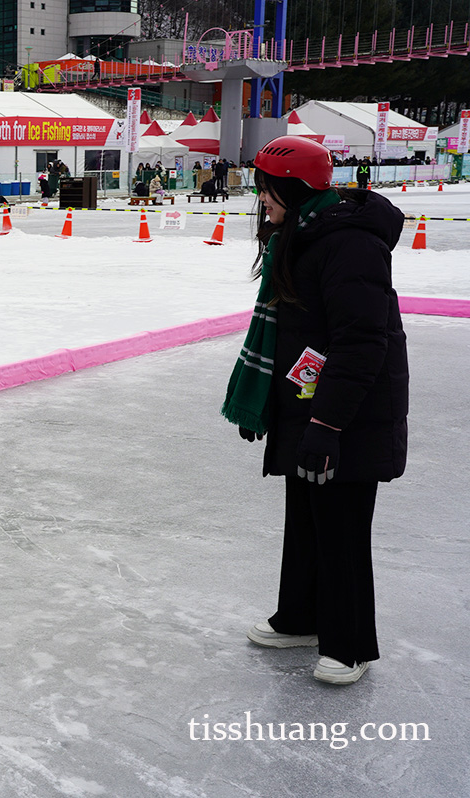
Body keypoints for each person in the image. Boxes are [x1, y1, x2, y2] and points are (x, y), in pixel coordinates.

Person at [221, 135, 408, 686]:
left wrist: (327, 426)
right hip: (307, 403)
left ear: (297, 190)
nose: (263, 201)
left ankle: (349, 646)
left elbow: (362, 342)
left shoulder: (347, 244)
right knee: (304, 518)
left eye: (270, 191)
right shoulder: (301, 233)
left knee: (342, 527)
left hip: (349, 413)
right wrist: (272, 411)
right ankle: (301, 617)